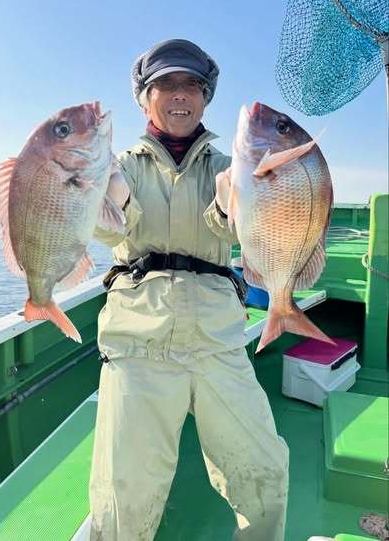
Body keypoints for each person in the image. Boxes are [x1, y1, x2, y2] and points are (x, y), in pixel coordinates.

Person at [89, 39, 289, 541]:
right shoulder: (117, 166)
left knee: (265, 470)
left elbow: (238, 232)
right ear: (144, 99)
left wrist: (230, 206)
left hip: (218, 340)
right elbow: (108, 233)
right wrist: (111, 199)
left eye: (191, 86)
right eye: (166, 85)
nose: (180, 94)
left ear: (205, 98)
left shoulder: (233, 165)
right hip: (138, 342)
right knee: (124, 493)